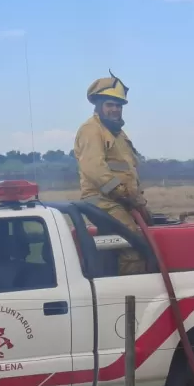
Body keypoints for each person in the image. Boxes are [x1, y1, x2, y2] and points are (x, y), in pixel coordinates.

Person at [74, 70, 153, 275]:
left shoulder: (117, 133)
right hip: (102, 200)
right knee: (134, 247)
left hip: (120, 201)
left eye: (118, 106)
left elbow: (129, 171)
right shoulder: (92, 130)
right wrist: (121, 193)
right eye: (110, 105)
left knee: (123, 245)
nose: (115, 110)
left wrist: (138, 201)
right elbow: (94, 168)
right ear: (98, 106)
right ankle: (132, 297)